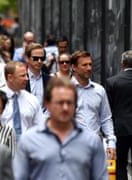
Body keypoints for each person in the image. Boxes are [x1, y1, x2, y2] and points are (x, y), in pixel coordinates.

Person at [13, 77, 108, 180]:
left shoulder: (92, 141)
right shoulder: (28, 141)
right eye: (60, 102)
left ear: (76, 105)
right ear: (47, 103)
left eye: (69, 103)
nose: (65, 108)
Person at [71, 50, 117, 159]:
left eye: (90, 64)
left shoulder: (99, 91)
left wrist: (111, 143)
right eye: (84, 65)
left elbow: (106, 118)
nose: (89, 68)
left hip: (96, 147)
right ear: (74, 67)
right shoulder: (64, 90)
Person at [106, 50, 132, 180]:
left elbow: (108, 109)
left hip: (120, 128)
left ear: (122, 64)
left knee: (120, 164)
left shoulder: (112, 82)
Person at [0, 61, 43, 139]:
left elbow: (40, 127)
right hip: (1, 146)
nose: (27, 78)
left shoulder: (32, 100)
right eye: (22, 76)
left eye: (26, 75)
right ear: (10, 77)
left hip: (27, 147)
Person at [24, 43, 51, 110]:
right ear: (27, 58)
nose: (39, 61)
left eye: (42, 58)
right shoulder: (21, 79)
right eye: (35, 58)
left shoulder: (50, 80)